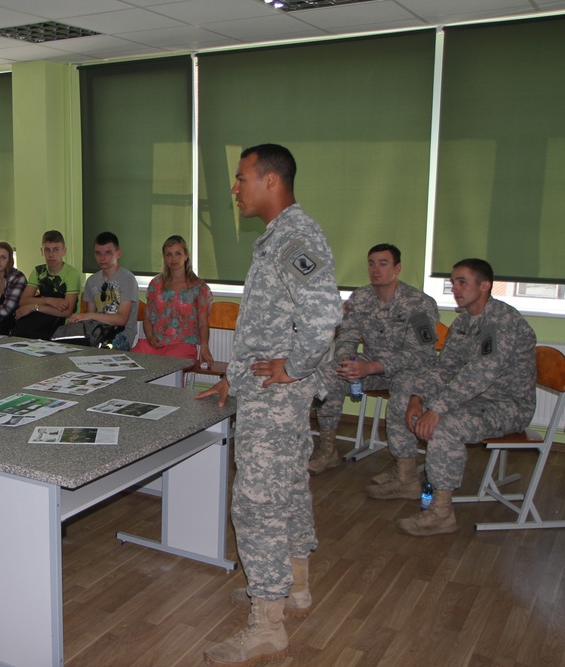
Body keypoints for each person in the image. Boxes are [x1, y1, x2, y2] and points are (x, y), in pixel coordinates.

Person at [195, 144, 341, 666]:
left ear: (271, 181)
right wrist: (235, 379)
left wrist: (294, 367)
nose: (234, 189)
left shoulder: (294, 237)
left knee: (256, 502)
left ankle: (267, 623)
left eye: (241, 178)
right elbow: (269, 325)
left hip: (277, 397)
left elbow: (324, 316)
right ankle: (292, 588)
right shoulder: (277, 239)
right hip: (265, 391)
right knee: (288, 488)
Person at [378, 258, 537, 537]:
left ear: (485, 286)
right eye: (453, 282)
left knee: (444, 427)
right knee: (402, 401)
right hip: (475, 399)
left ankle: (441, 514)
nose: (455, 288)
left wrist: (436, 408)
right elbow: (445, 369)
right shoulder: (464, 322)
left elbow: (481, 373)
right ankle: (406, 478)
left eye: (462, 282)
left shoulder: (501, 321)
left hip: (507, 405)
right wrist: (418, 397)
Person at [309, 243, 440, 475]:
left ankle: (405, 472)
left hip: (411, 371)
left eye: (383, 263)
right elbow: (346, 338)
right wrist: (349, 362)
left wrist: (371, 366)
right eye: (371, 264)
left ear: (397, 268)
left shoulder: (419, 303)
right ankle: (328, 450)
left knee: (404, 393)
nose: (375, 269)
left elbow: (420, 354)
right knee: (328, 375)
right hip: (371, 369)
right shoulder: (360, 298)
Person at [132, 235, 214, 367]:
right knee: (132, 361)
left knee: (168, 367)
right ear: (164, 257)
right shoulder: (156, 284)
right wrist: (149, 336)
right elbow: (147, 318)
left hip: (183, 345)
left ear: (186, 255)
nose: (173, 258)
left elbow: (203, 323)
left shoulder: (199, 287)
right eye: (169, 254)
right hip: (156, 344)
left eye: (178, 253)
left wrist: (204, 347)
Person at [68, 231, 139, 350]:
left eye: (108, 253)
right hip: (97, 331)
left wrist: (89, 315)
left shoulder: (127, 279)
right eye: (98, 253)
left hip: (121, 334)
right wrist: (80, 318)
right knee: (72, 346)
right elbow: (90, 319)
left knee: (103, 349)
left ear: (118, 254)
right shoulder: (92, 281)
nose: (102, 257)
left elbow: (121, 320)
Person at [11, 230, 82, 340]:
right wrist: (49, 301)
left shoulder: (72, 273)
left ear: (64, 251)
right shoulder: (38, 271)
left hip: (61, 323)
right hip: (43, 316)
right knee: (20, 329)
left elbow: (67, 312)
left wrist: (34, 307)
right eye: (47, 250)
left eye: (56, 250)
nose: (51, 254)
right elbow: (23, 301)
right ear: (42, 251)